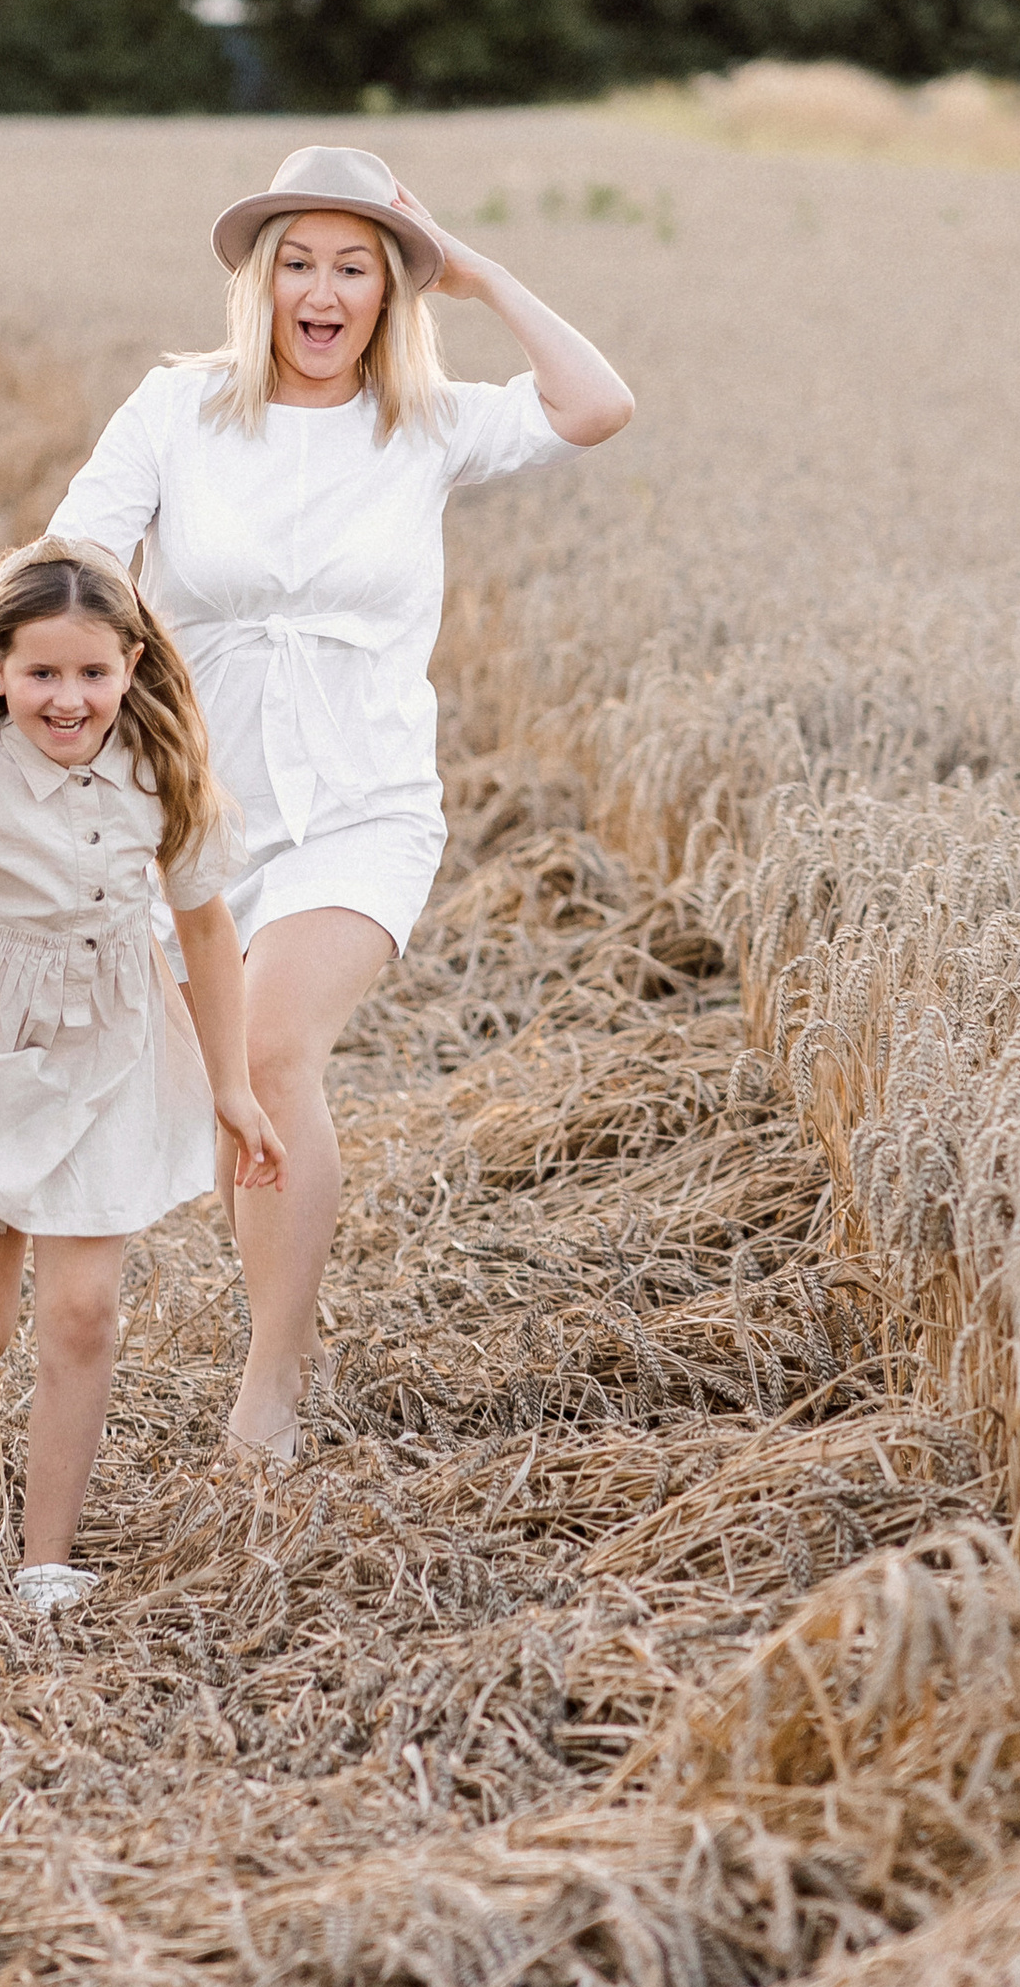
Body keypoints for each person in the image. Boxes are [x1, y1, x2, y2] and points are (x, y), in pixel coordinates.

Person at [53, 142, 634, 1461]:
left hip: (366, 802)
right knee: (227, 1093)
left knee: (270, 1051)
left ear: (389, 291)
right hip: (195, 812)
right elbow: (76, 554)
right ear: (261, 281)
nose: (322, 290)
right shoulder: (174, 411)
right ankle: (267, 1293)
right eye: (298, 262)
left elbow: (598, 405)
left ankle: (275, 1373)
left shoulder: (426, 421)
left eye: (355, 266)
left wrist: (477, 270)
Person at [0, 537, 286, 1614]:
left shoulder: (158, 771)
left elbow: (208, 934)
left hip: (111, 1059)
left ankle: (46, 1560)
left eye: (92, 672)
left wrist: (230, 1085)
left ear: (131, 663)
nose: (68, 697)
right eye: (41, 673)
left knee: (82, 1311)